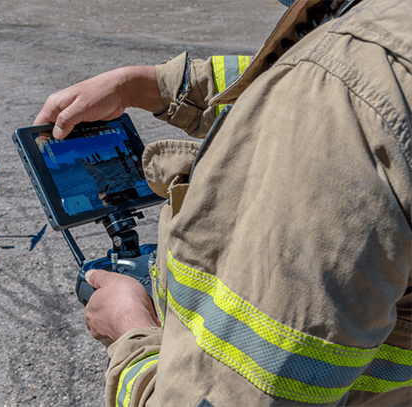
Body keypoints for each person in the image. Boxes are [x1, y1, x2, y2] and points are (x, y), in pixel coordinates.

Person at [33, 0, 412, 405]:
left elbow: (322, 85)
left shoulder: (344, 87)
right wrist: (145, 85)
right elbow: (292, 75)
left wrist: (131, 339)